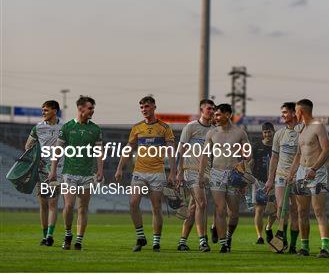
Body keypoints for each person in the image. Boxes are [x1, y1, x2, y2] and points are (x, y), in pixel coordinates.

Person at [115, 96, 176, 252]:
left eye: (147, 107)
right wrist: (119, 168)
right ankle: (141, 237)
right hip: (139, 172)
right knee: (133, 203)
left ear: (154, 107)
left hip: (157, 173)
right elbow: (128, 149)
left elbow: (171, 151)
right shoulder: (137, 128)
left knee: (156, 207)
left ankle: (156, 241)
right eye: (142, 107)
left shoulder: (164, 127)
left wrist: (173, 172)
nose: (144, 110)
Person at [48, 96, 103, 251]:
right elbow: (57, 151)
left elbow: (99, 152)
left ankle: (79, 240)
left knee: (83, 208)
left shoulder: (95, 129)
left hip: (88, 174)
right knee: (69, 205)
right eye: (90, 108)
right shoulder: (67, 128)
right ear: (81, 109)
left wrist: (100, 170)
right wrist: (53, 170)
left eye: (93, 108)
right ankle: (68, 235)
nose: (92, 111)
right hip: (70, 173)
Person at [198, 103, 252, 253]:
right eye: (214, 114)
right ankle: (223, 244)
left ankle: (228, 236)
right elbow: (204, 156)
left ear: (227, 115)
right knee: (220, 209)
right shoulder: (212, 133)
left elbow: (248, 156)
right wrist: (201, 175)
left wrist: (244, 173)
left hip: (234, 176)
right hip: (216, 174)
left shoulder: (240, 133)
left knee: (233, 213)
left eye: (218, 114)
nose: (215, 117)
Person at [287, 99, 329, 258]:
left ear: (302, 111)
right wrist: (291, 173)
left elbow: (326, 150)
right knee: (301, 211)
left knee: (319, 210)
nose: (294, 114)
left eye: (296, 111)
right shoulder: (302, 129)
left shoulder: (318, 126)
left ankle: (325, 248)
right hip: (301, 173)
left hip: (317, 173)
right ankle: (304, 247)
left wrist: (314, 168)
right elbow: (298, 155)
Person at [176, 99, 215, 252]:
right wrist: (179, 172)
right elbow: (181, 150)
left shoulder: (214, 130)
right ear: (201, 110)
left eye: (213, 109)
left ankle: (182, 241)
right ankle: (202, 241)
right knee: (202, 203)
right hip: (191, 170)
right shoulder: (191, 127)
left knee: (193, 207)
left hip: (206, 172)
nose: (211, 111)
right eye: (209, 109)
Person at [25, 100, 63, 246]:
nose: (43, 113)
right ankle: (44, 235)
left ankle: (49, 236)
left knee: (53, 202)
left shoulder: (64, 127)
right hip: (42, 169)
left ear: (55, 111)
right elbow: (28, 146)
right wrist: (36, 157)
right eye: (42, 110)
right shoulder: (38, 128)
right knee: (43, 203)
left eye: (46, 110)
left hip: (59, 168)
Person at [265, 102, 300, 253]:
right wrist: (270, 179)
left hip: (298, 176)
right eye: (282, 113)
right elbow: (274, 158)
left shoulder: (303, 132)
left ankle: (292, 245)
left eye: (285, 112)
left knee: (296, 212)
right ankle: (282, 239)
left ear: (294, 113)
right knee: (281, 209)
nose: (283, 115)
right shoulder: (279, 134)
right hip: (281, 175)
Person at [250, 121, 276, 246]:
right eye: (265, 132)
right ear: (262, 133)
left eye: (269, 132)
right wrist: (248, 176)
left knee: (273, 210)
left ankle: (269, 227)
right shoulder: (256, 146)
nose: (267, 134)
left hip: (274, 181)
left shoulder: (277, 146)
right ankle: (259, 236)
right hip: (259, 181)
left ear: (273, 131)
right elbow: (251, 162)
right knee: (259, 210)